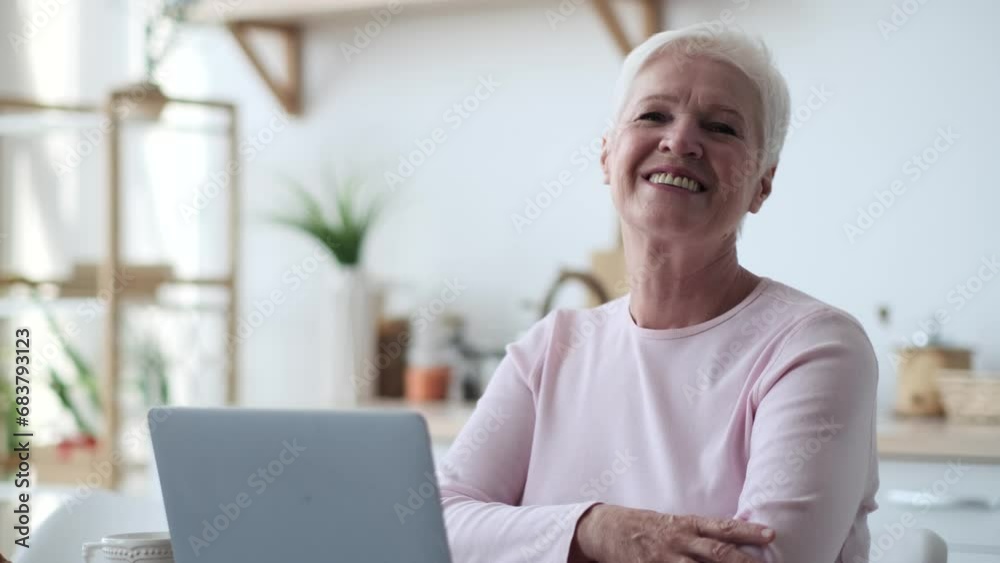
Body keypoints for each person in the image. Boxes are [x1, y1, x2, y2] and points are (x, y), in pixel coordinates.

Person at [438, 23, 879, 563]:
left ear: (763, 182)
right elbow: (438, 521)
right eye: (653, 116)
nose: (680, 141)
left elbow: (762, 559)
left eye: (720, 127)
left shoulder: (813, 347)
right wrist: (596, 529)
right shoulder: (550, 349)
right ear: (607, 155)